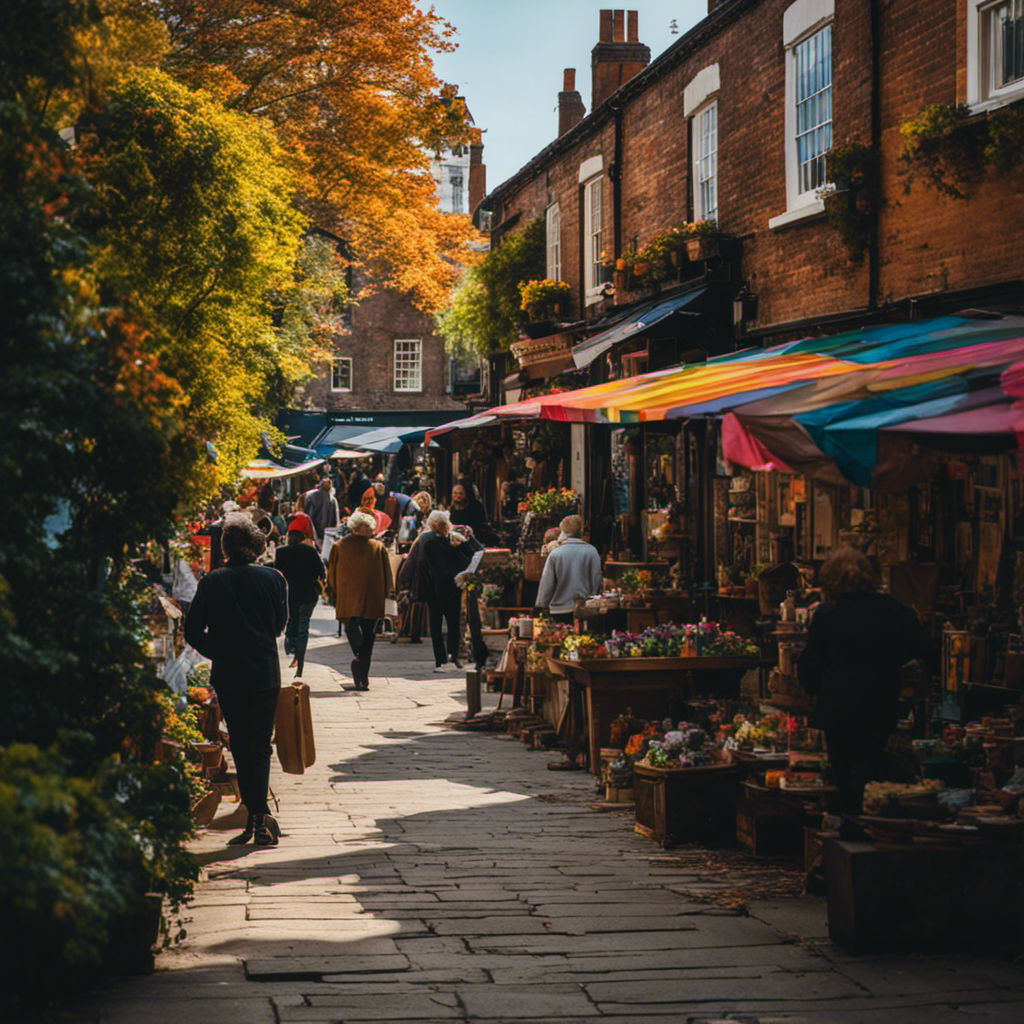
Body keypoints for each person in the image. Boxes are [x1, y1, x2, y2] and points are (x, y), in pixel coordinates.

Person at [797, 546, 933, 814]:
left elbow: (809, 661)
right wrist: (894, 662)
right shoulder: (892, 609)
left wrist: (815, 691)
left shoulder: (828, 613)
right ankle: (871, 818)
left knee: (843, 770)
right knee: (870, 763)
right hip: (878, 702)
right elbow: (922, 646)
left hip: (837, 706)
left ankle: (850, 822)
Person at [183, 515, 287, 847]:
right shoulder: (273, 578)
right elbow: (279, 627)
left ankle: (256, 816)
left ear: (226, 547)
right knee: (259, 746)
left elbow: (191, 630)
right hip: (264, 672)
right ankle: (258, 817)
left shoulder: (212, 582)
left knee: (241, 745)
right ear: (256, 547)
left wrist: (220, 650)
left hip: (229, 673)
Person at [327, 510, 394, 690]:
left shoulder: (340, 546)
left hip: (348, 594)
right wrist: (389, 591)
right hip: (372, 594)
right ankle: (363, 673)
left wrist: (333, 589)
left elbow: (331, 573)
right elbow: (387, 572)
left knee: (351, 625)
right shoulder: (377, 547)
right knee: (369, 632)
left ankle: (359, 658)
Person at [418, 509, 473, 672]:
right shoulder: (455, 540)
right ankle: (452, 656)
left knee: (435, 625)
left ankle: (440, 659)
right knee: (453, 623)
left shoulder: (427, 542)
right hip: (453, 587)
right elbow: (471, 556)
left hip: (434, 588)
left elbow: (423, 564)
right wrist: (463, 543)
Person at [275, 526, 326, 678]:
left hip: (290, 596)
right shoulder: (310, 551)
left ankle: (292, 648)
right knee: (303, 626)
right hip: (308, 595)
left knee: (291, 622)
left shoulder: (281, 552)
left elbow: (277, 575)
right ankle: (300, 661)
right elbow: (321, 572)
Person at [535, 515, 603, 623]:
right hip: (585, 610)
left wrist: (541, 605)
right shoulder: (592, 552)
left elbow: (547, 584)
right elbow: (597, 581)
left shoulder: (555, 554)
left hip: (558, 610)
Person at [304, 477, 339, 549]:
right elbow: (335, 521)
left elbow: (308, 516)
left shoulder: (311, 496)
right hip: (327, 535)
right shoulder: (333, 500)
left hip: (313, 533)